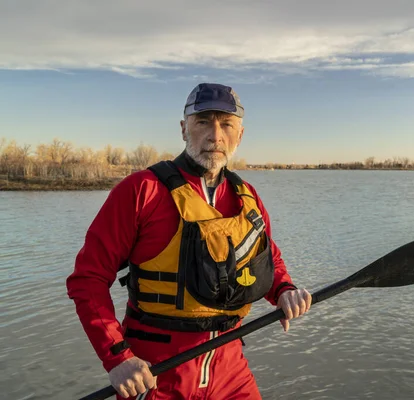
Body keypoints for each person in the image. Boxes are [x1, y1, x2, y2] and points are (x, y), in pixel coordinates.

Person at [66, 83, 312, 399]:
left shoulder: (247, 197)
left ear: (240, 134)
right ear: (184, 129)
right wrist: (117, 357)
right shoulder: (141, 191)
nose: (215, 135)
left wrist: (284, 290)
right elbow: (88, 279)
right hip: (155, 376)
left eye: (226, 124)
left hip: (231, 373)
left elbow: (267, 255)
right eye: (203, 122)